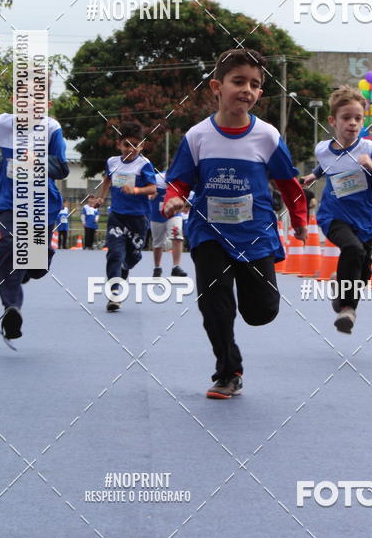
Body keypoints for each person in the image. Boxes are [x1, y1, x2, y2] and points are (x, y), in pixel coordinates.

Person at [163, 48, 308, 400]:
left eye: (255, 84)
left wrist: (300, 219)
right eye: (238, 81)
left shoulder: (267, 137)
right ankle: (228, 371)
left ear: (260, 93)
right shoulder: (197, 137)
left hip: (255, 234)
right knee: (215, 305)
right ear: (217, 86)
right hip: (207, 232)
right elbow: (178, 180)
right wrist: (173, 198)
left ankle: (246, 320)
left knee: (261, 312)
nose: (247, 89)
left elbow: (288, 182)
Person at [0, 100, 69, 343]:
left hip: (42, 204)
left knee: (37, 263)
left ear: (48, 103)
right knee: (9, 244)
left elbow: (63, 168)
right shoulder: (4, 123)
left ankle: (31, 265)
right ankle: (12, 308)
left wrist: (39, 161)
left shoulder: (52, 129)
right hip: (9, 201)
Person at [302, 86, 372, 334]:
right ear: (333, 121)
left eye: (358, 118)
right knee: (352, 249)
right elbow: (327, 163)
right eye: (346, 118)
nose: (352, 123)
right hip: (332, 215)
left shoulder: (369, 150)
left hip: (364, 218)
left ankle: (340, 289)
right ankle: (348, 310)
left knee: (363, 274)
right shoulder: (322, 149)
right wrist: (314, 175)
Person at [94, 122, 157, 312]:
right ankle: (114, 293)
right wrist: (101, 198)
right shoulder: (112, 162)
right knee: (114, 254)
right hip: (117, 217)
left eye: (135, 145)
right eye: (126, 144)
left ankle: (125, 266)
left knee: (131, 258)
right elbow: (107, 180)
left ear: (142, 146)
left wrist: (136, 189)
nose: (130, 149)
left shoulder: (144, 165)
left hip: (138, 219)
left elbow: (153, 188)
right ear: (119, 144)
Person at [149, 171, 187, 277]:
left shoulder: (180, 179)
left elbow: (186, 195)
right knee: (157, 243)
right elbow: (148, 191)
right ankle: (157, 267)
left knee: (177, 236)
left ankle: (176, 267)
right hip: (157, 215)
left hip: (174, 214)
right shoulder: (156, 178)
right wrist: (150, 194)